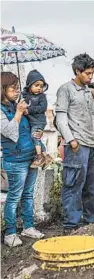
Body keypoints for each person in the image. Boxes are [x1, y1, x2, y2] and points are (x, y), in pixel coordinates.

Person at [55, 53, 94, 233]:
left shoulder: (89, 92)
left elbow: (91, 118)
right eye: (87, 73)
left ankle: (93, 221)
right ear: (77, 71)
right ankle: (71, 225)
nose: (90, 76)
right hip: (76, 145)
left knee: (93, 184)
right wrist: (71, 140)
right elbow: (60, 118)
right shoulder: (65, 89)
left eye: (92, 73)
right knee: (73, 184)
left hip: (92, 144)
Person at [1, 72, 44, 247]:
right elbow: (11, 133)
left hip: (30, 157)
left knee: (28, 194)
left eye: (18, 88)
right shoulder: (3, 111)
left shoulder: (18, 105)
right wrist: (18, 113)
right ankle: (10, 232)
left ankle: (28, 226)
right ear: (3, 89)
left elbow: (32, 126)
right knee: (14, 197)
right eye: (13, 88)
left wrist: (38, 132)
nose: (17, 91)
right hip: (15, 160)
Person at [22, 69, 53, 169]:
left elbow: (42, 108)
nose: (39, 88)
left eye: (41, 86)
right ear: (29, 85)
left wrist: (29, 110)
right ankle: (46, 156)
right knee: (35, 138)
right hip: (31, 121)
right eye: (36, 85)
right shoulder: (26, 96)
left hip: (38, 121)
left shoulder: (41, 97)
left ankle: (39, 157)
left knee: (35, 136)